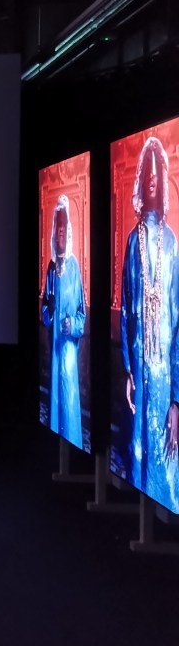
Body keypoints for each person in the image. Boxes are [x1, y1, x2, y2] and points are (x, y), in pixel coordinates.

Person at [120, 136, 179, 510]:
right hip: (140, 375)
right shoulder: (132, 242)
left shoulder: (172, 244)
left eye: (159, 177)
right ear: (142, 182)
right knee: (138, 452)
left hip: (166, 377)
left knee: (167, 464)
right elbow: (127, 310)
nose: (153, 183)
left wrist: (177, 401)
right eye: (148, 177)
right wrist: (128, 369)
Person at [40, 194, 86, 449]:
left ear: (68, 231)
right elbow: (44, 308)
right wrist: (49, 317)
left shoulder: (75, 268)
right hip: (54, 354)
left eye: (63, 226)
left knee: (68, 402)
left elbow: (82, 316)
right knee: (54, 404)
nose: (60, 231)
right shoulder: (50, 268)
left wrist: (72, 326)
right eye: (57, 225)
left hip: (68, 353)